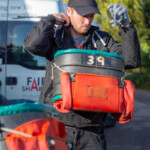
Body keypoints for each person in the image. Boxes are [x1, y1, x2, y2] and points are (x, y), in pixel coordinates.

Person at [24, 0, 141, 149]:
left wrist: (126, 26)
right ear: (69, 11)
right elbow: (31, 45)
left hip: (92, 132)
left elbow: (131, 61)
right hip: (57, 126)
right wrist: (51, 19)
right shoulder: (55, 38)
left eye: (91, 16)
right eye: (84, 15)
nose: (87, 21)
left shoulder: (102, 40)